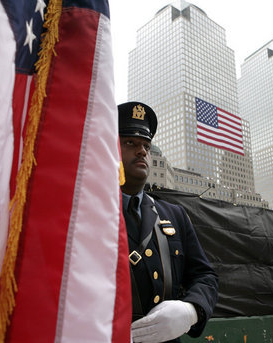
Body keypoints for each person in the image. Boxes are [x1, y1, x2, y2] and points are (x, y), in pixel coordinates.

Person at [118, 101, 218, 343]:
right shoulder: (89, 209)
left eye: (146, 145)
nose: (141, 151)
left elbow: (205, 275)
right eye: (130, 143)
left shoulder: (173, 214)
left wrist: (191, 310)